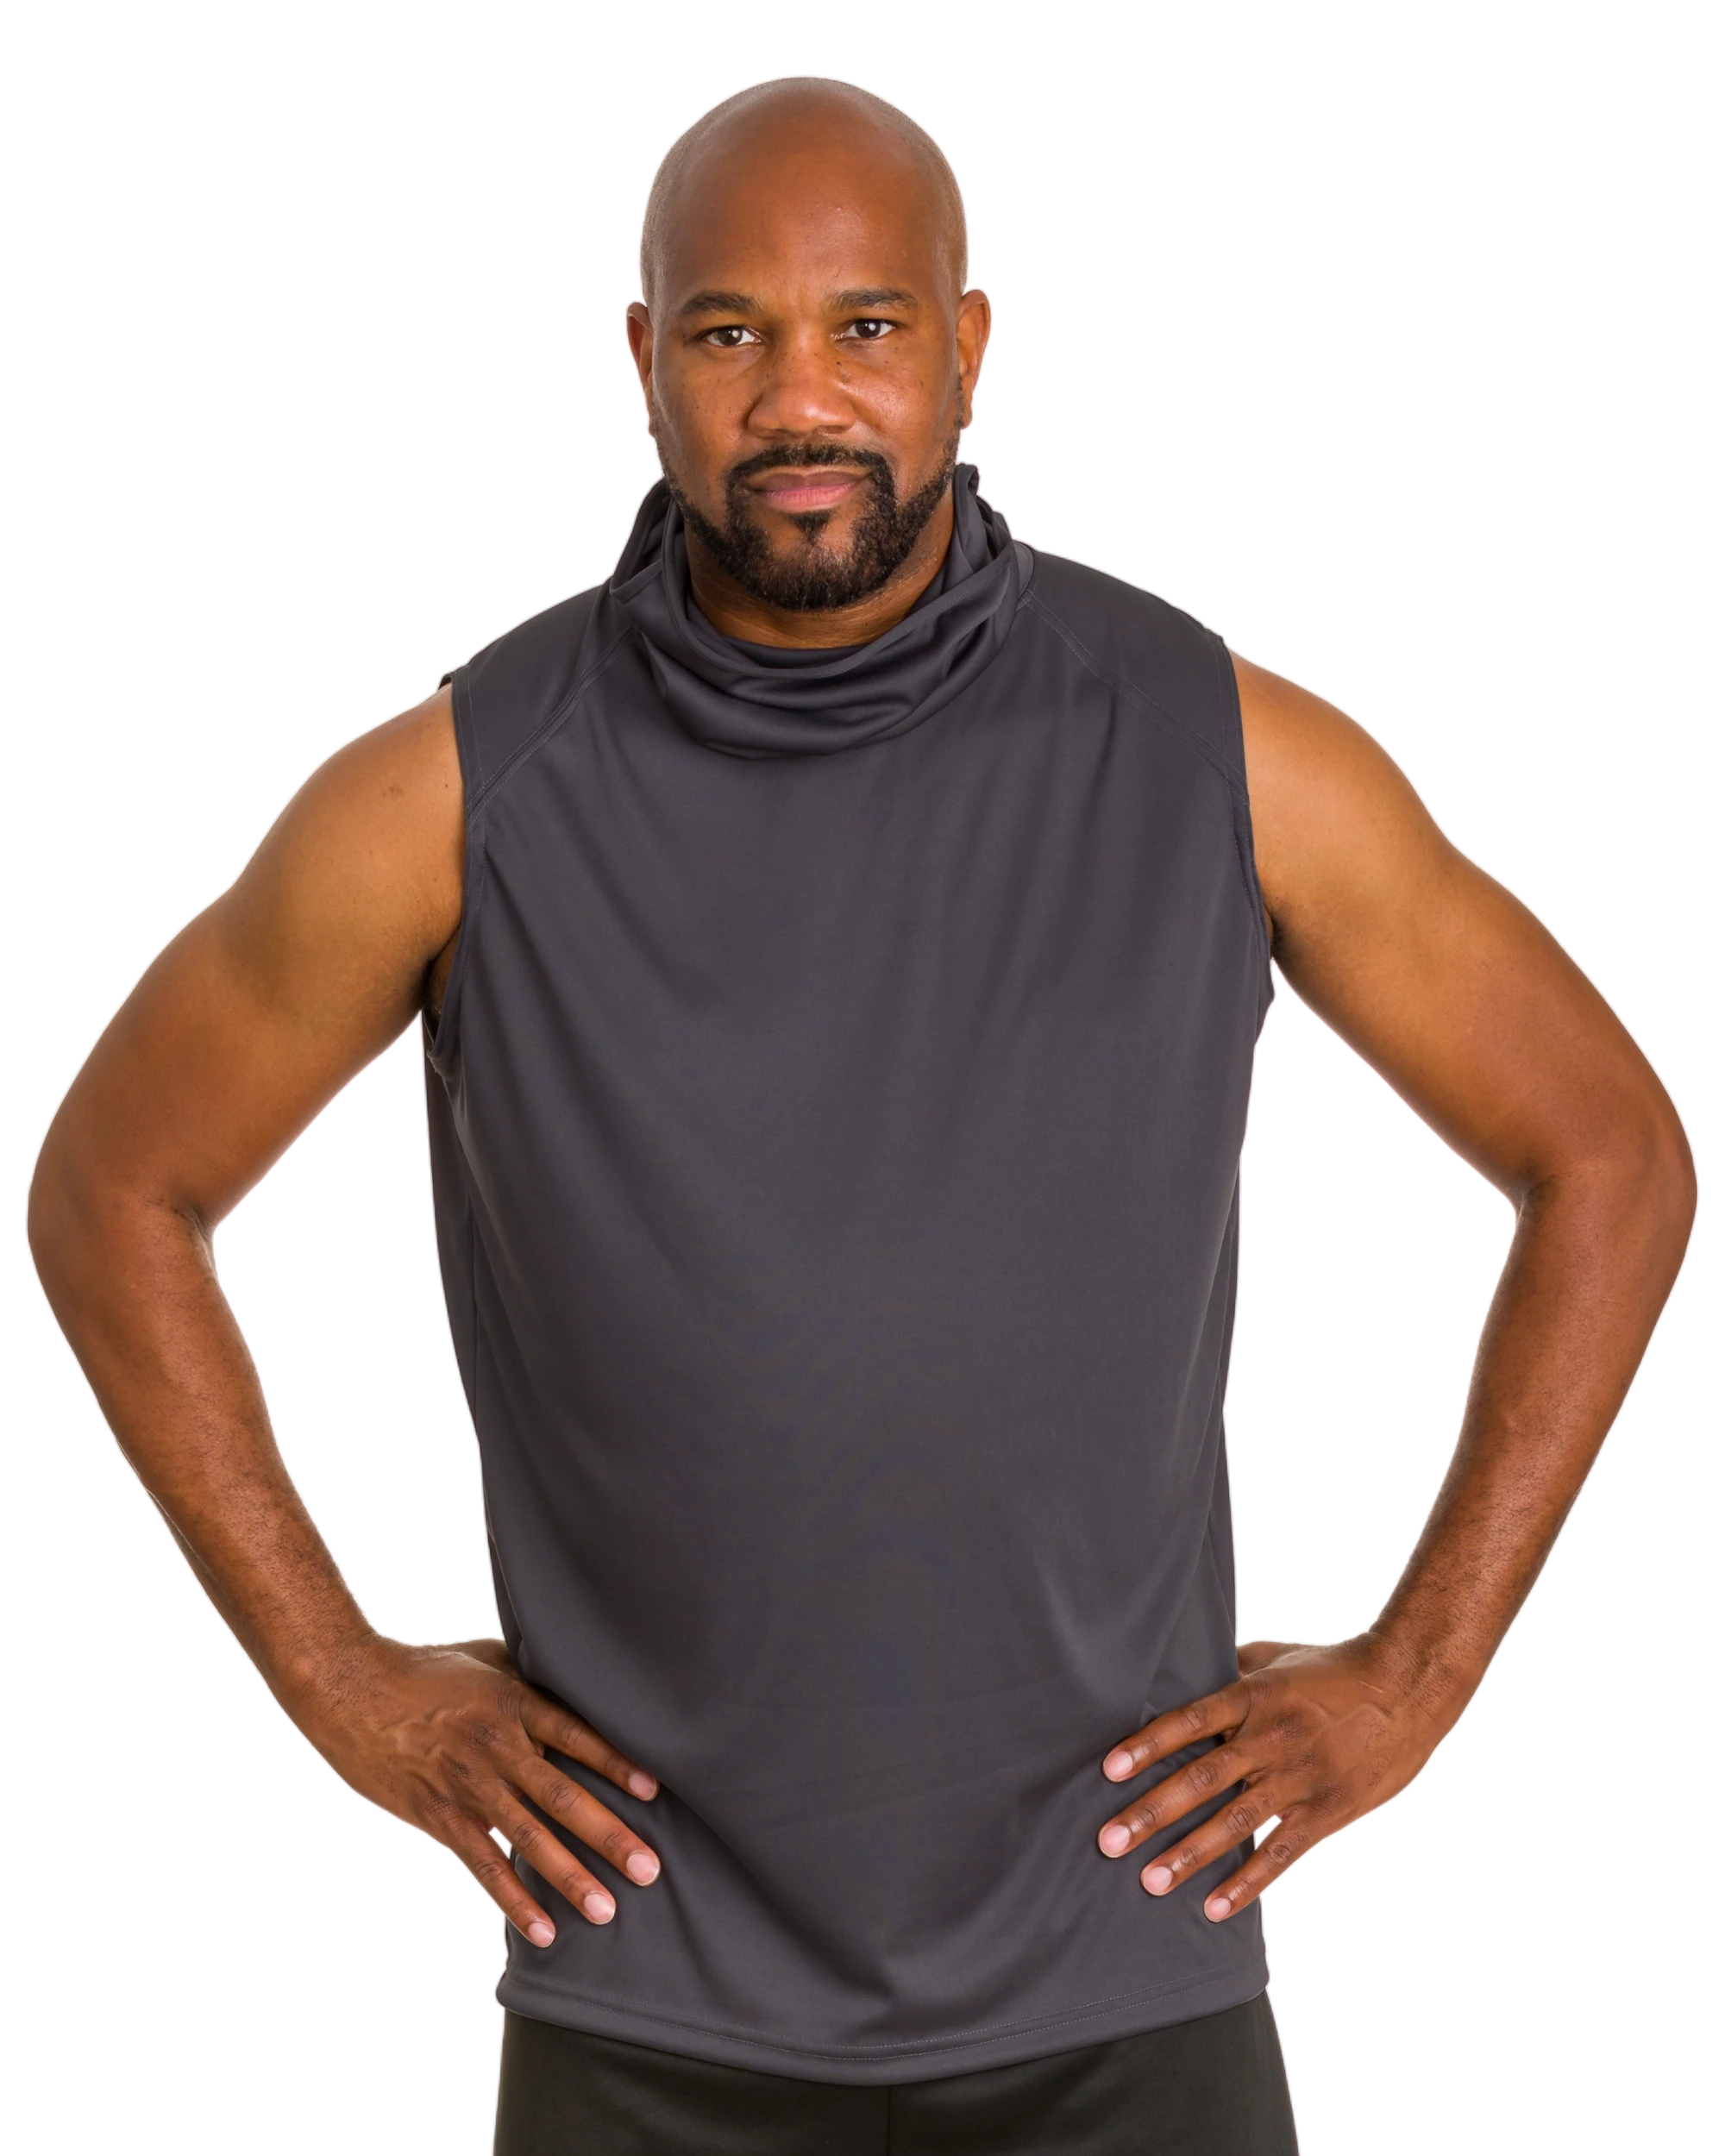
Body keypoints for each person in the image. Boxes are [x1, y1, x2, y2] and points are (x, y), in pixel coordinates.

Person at [25, 72, 1697, 2156]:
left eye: (866, 326)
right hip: (644, 1985)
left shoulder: (1222, 747)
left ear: (969, 344)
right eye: (728, 330)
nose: (799, 399)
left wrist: (1415, 1678)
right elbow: (112, 1186)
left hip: (1130, 1965)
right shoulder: (455, 792)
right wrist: (345, 1682)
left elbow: (1610, 1152)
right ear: (641, 355)